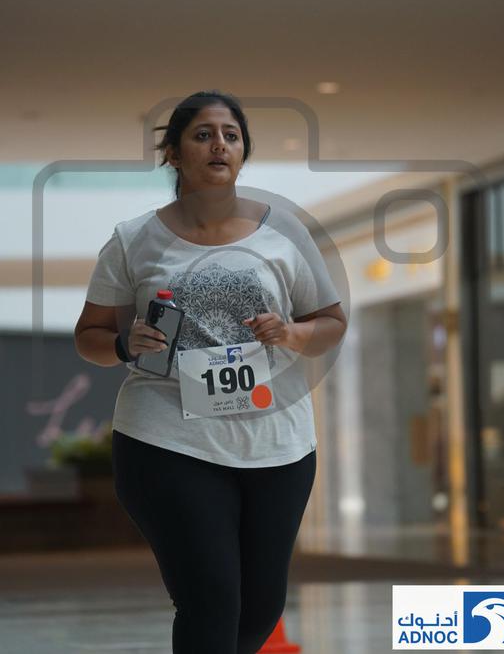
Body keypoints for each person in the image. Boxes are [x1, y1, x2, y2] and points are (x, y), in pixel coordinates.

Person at [74, 89, 347, 654]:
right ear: (174, 154)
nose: (219, 144)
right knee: (211, 599)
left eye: (231, 135)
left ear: (243, 152)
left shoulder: (285, 232)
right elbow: (89, 337)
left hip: (276, 445)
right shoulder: (133, 239)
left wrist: (291, 333)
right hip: (167, 440)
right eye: (203, 135)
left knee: (260, 607)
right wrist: (124, 344)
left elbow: (331, 323)